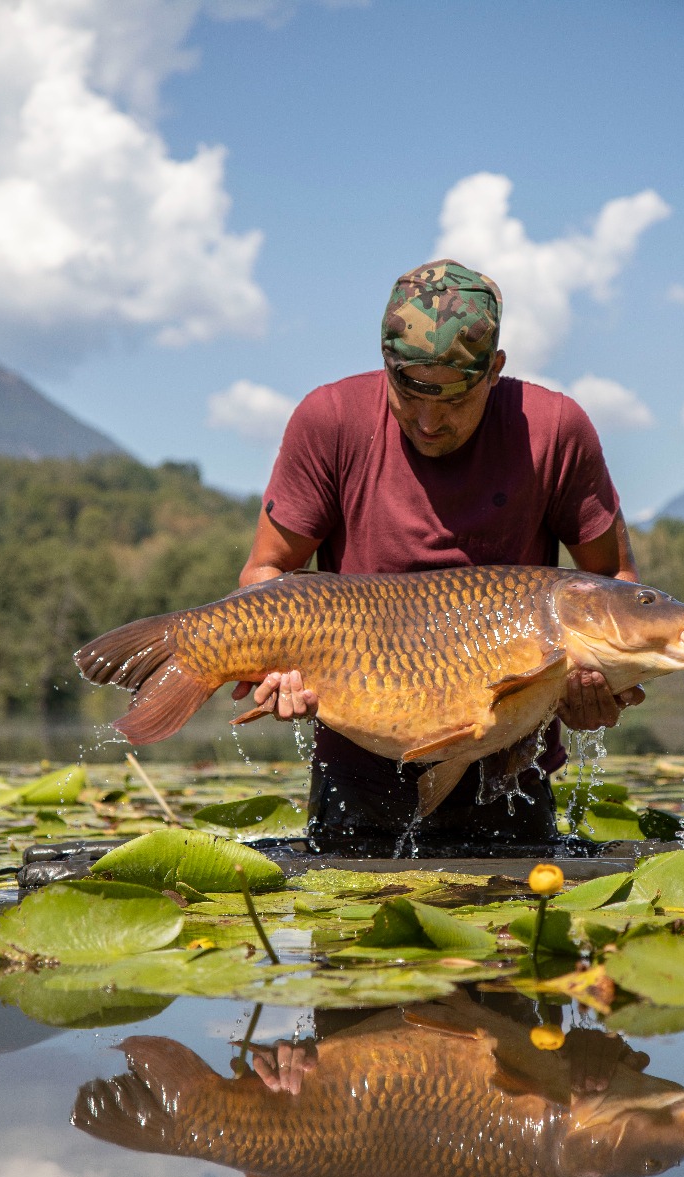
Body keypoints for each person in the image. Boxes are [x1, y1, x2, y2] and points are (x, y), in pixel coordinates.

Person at [234, 260, 643, 854]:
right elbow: (264, 573)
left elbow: (612, 582)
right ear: (386, 364)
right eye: (409, 391)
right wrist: (279, 667)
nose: (428, 421)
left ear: (494, 370)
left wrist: (595, 680)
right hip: (357, 776)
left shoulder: (555, 431)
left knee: (517, 947)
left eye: (453, 398)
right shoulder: (330, 421)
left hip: (510, 778)